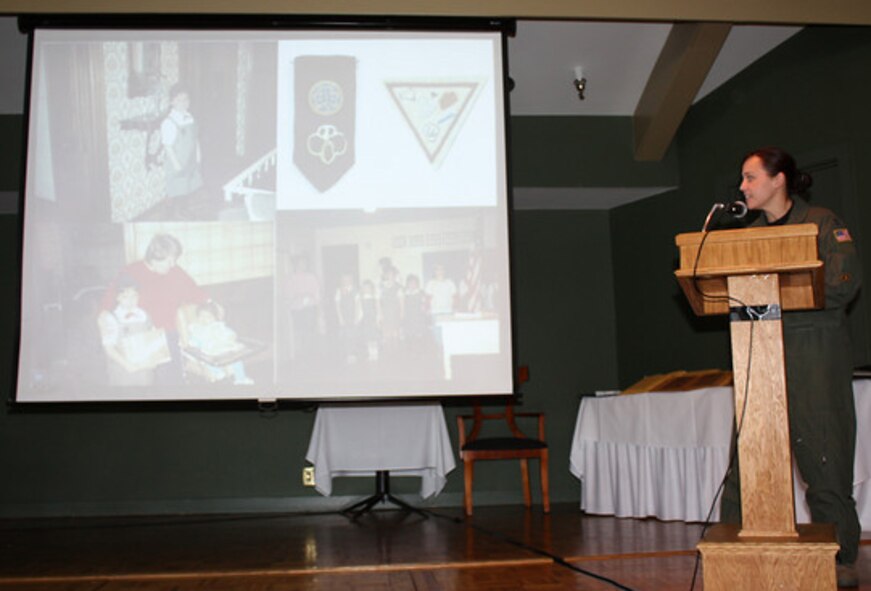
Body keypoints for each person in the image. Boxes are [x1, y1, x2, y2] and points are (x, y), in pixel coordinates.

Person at [720, 146, 862, 587]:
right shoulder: (749, 236)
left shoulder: (820, 222)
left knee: (823, 456)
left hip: (813, 355)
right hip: (759, 354)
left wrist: (783, 288)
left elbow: (844, 283)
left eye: (750, 177)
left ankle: (839, 559)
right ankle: (736, 552)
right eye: (742, 179)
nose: (742, 187)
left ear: (778, 179)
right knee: (749, 456)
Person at [101, 233, 210, 384]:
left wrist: (211, 303)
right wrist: (103, 315)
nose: (173, 264)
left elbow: (195, 293)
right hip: (143, 334)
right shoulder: (131, 271)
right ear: (154, 258)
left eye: (174, 259)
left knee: (173, 377)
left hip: (172, 333)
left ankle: (185, 370)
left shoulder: (175, 271)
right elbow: (108, 302)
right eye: (169, 260)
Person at [97, 274, 169, 386]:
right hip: (123, 369)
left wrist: (156, 358)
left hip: (145, 369)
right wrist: (127, 365)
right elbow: (109, 348)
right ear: (117, 297)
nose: (130, 301)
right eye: (125, 297)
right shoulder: (110, 317)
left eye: (134, 296)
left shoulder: (144, 314)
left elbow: (153, 338)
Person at [161, 84, 204, 216]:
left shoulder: (189, 118)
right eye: (179, 100)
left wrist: (198, 154)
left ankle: (184, 210)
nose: (183, 103)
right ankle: (175, 212)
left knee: (187, 186)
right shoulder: (169, 122)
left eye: (186, 99)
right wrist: (176, 165)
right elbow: (167, 146)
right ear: (172, 102)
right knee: (177, 188)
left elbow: (195, 139)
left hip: (189, 159)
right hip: (177, 161)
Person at [186, 302, 253, 385]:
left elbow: (229, 333)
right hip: (210, 351)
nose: (204, 319)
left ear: (215, 318)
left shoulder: (218, 326)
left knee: (237, 360)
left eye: (208, 317)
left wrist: (231, 336)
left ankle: (241, 379)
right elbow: (194, 342)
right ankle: (218, 373)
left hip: (223, 349)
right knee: (208, 362)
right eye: (201, 316)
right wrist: (193, 343)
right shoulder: (198, 330)